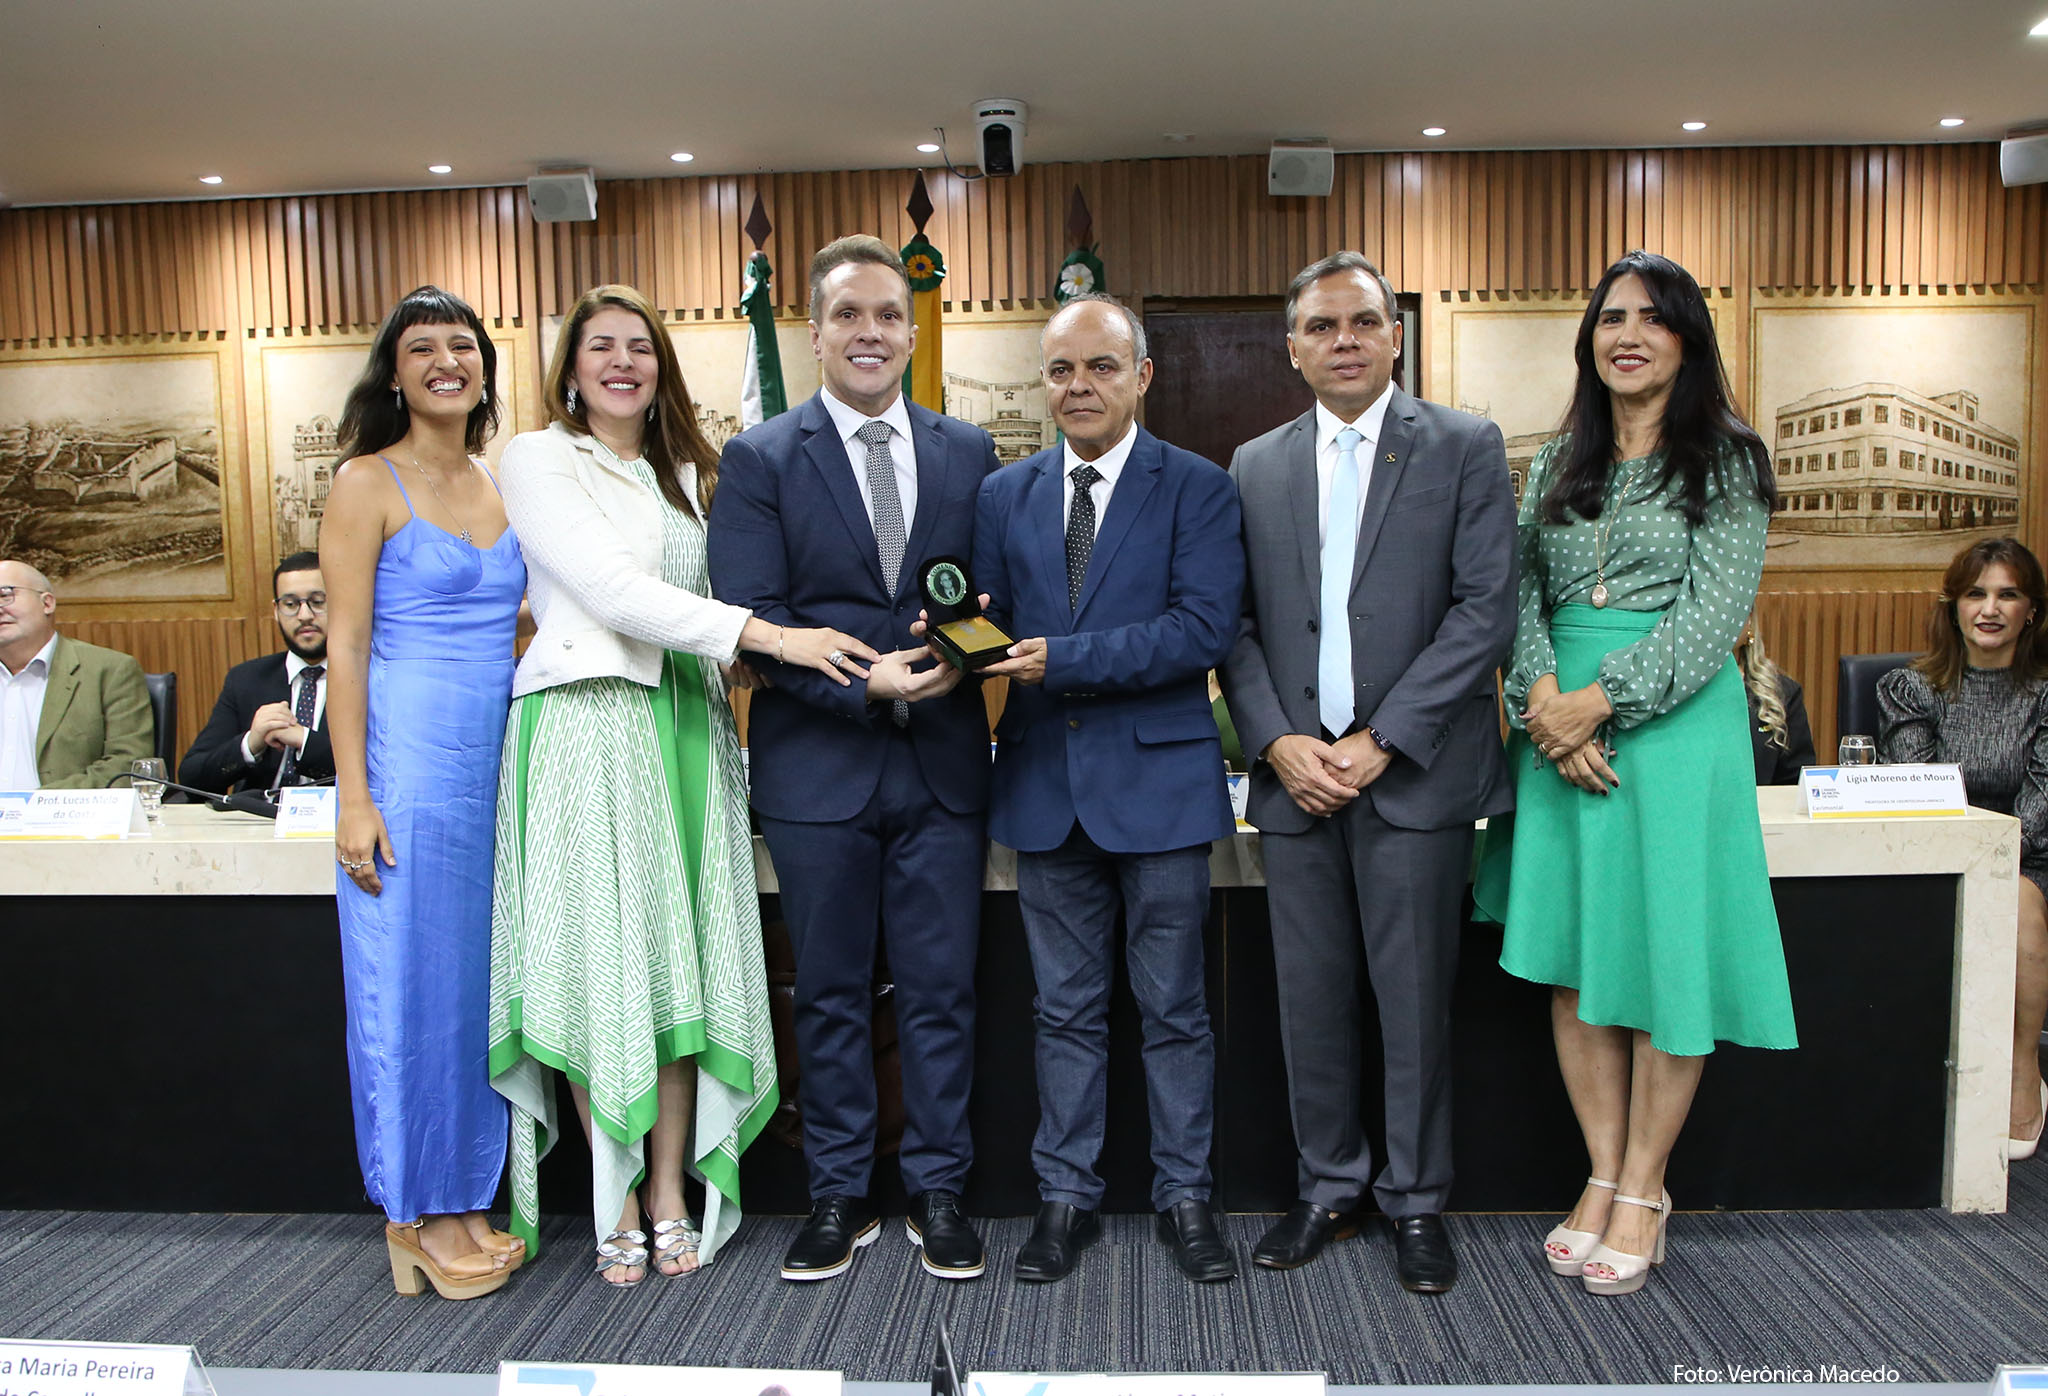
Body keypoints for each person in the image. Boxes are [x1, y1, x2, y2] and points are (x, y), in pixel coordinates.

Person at [489, 284, 874, 1285]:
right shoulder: (536, 458)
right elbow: (611, 592)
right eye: (600, 346)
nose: (622, 362)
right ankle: (612, 1198)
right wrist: (775, 637)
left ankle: (668, 1189)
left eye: (640, 346)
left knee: (673, 972)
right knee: (602, 968)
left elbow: (711, 601)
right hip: (586, 726)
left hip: (689, 726)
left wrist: (772, 648)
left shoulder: (694, 476)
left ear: (661, 366)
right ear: (570, 367)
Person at [1474, 249, 1797, 1298]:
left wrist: (1597, 701)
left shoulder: (1729, 459)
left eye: (1652, 318)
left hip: (1671, 731)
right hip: (1554, 728)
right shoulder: (1554, 460)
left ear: (1686, 339)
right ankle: (1603, 1170)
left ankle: (1646, 1188)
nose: (1628, 335)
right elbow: (1518, 596)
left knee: (1666, 960)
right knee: (1578, 962)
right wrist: (1543, 703)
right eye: (1611, 317)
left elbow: (1714, 618)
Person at [1218, 251, 1515, 1295]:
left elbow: (1484, 611)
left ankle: (1415, 1200)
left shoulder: (1464, 445)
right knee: (1310, 1002)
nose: (1342, 340)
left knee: (1414, 1003)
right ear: (1291, 348)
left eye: (1361, 322)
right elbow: (1233, 623)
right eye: (1320, 326)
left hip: (1412, 776)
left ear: (1396, 336)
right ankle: (1328, 1186)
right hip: (1296, 782)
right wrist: (1275, 741)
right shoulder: (1253, 465)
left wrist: (1381, 737)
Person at [709, 234, 1000, 1283]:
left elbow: (989, 596)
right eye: (847, 315)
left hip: (943, 764)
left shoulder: (969, 451)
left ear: (910, 332)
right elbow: (754, 622)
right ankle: (837, 1191)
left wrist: (965, 658)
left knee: (940, 991)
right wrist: (859, 682)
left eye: (886, 314)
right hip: (816, 768)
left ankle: (938, 1188)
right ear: (815, 331)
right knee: (828, 993)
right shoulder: (758, 460)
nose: (868, 332)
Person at [971, 294, 1244, 1285]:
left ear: (1141, 376)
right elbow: (992, 625)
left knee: (1174, 1010)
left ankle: (1186, 1198)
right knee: (1063, 1011)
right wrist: (954, 635)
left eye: (1100, 367)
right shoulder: (1004, 494)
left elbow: (1202, 629)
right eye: (1060, 370)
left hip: (1159, 789)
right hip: (1045, 785)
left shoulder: (1198, 487)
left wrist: (1064, 659)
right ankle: (1065, 1199)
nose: (1078, 386)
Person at [321, 286, 527, 1302]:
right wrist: (354, 797)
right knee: (406, 993)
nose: (447, 361)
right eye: (422, 349)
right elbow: (346, 646)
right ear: (394, 375)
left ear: (484, 366)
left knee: (472, 996)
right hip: (404, 771)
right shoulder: (366, 481)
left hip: (494, 769)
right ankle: (413, 1210)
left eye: (462, 345)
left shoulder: (502, 480)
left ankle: (465, 1194)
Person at [1878, 536, 2048, 1162]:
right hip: (1935, 852)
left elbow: (2043, 798)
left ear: (2032, 611)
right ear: (1953, 606)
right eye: (1976, 593)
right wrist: (1964, 855)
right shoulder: (1909, 688)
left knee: (2017, 902)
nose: (1990, 609)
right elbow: (1917, 789)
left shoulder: (2046, 693)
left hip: (2030, 857)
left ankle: (2021, 1069)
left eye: (2009, 595)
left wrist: (1994, 858)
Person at [179, 551, 333, 795]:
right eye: (291, 604)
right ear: (276, 610)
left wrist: (304, 741)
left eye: (317, 601)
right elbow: (191, 778)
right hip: (258, 816)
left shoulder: (371, 678)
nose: (305, 615)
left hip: (336, 816)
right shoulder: (246, 679)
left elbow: (385, 771)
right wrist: (250, 744)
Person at [0, 559, 153, 790]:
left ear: (47, 603)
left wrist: (34, 803)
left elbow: (127, 765)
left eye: (5, 595)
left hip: (63, 811)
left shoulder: (109, 671)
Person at [1735, 616, 1814, 785]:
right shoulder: (1681, 694)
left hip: (1766, 802)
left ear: (1749, 622)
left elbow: (1797, 780)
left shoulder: (1783, 694)